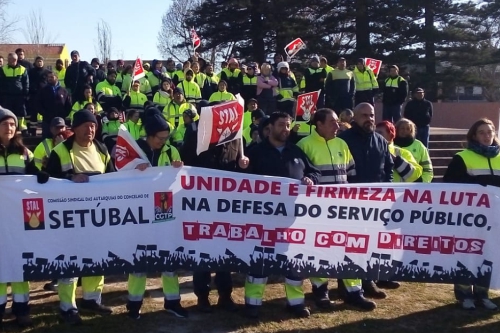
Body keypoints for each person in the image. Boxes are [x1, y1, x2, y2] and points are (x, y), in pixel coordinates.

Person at [296, 108, 377, 311]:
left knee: (350, 248)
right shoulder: (303, 146)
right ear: (319, 124)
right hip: (318, 211)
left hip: (343, 210)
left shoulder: (342, 143)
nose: (337, 125)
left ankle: (353, 292)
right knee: (319, 250)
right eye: (332, 122)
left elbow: (351, 173)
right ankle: (321, 291)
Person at [244, 112, 320, 319]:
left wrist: (310, 179)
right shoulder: (255, 151)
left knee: (294, 261)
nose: (286, 129)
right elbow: (240, 180)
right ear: (270, 128)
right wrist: (243, 166)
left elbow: (314, 172)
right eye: (281, 125)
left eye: (288, 125)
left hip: (292, 218)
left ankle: (295, 302)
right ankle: (252, 303)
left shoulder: (296, 151)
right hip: (263, 217)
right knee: (259, 259)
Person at [45, 109, 114, 325]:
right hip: (70, 219)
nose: (90, 129)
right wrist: (69, 178)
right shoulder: (60, 151)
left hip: (98, 217)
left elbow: (113, 179)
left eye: (93, 125)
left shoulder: (102, 149)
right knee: (71, 262)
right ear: (74, 128)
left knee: (98, 257)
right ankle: (67, 307)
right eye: (85, 125)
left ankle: (92, 299)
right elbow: (50, 182)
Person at [126, 111, 187, 319]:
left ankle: (172, 302)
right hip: (140, 214)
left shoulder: (171, 152)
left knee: (169, 262)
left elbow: (181, 182)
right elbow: (120, 177)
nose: (164, 141)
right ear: (149, 136)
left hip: (165, 213)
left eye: (166, 138)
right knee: (139, 262)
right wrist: (135, 170)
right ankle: (133, 305)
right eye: (160, 138)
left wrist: (179, 169)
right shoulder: (134, 152)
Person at [192, 106, 249, 313]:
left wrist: (244, 164)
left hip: (228, 207)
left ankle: (225, 294)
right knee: (203, 253)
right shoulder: (199, 136)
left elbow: (244, 168)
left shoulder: (237, 139)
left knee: (226, 251)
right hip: (203, 206)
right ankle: (202, 296)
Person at [338, 103, 394, 298]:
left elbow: (388, 169)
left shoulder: (381, 140)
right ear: (354, 116)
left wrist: (386, 191)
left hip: (376, 203)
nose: (369, 118)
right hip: (350, 201)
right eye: (364, 115)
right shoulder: (343, 140)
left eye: (371, 115)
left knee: (371, 243)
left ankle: (368, 280)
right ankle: (346, 286)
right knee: (350, 244)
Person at [443, 118, 499, 311]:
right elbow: (451, 187)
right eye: (482, 132)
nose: (486, 136)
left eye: (490, 132)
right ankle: (464, 294)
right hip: (469, 219)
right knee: (466, 254)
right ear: (474, 135)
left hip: (494, 219)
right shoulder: (462, 157)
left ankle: (483, 294)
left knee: (488, 254)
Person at [0, 108, 38, 329]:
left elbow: (36, 174)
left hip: (18, 220)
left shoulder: (24, 152)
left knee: (21, 262)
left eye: (12, 124)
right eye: (4, 124)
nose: (9, 128)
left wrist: (42, 176)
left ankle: (22, 308)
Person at [394, 118, 433, 183]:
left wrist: (422, 183)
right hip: (394, 189)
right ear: (397, 129)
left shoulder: (419, 146)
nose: (405, 131)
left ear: (411, 131)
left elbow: (428, 170)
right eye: (402, 128)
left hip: (413, 190)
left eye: (408, 129)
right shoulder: (391, 145)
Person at [0, 52, 29, 135]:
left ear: (16, 60)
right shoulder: (3, 69)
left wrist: (26, 93)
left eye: (13, 59)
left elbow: (26, 82)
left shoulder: (23, 69)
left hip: (19, 95)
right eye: (10, 59)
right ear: (8, 60)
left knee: (21, 113)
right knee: (7, 113)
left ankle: (23, 129)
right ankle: (7, 129)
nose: (12, 61)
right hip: (7, 95)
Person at [37, 71, 72, 138]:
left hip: (60, 120)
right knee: (47, 139)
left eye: (52, 77)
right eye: (48, 77)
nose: (49, 79)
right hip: (47, 120)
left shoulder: (64, 91)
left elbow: (68, 104)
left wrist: (63, 114)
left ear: (57, 78)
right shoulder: (43, 90)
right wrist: (44, 113)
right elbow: (38, 103)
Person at [27, 56, 50, 136]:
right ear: (35, 62)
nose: (39, 63)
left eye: (41, 61)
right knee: (33, 115)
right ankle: (32, 132)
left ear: (43, 62)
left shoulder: (47, 72)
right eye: (38, 61)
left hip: (44, 96)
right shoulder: (31, 72)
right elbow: (28, 82)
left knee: (45, 114)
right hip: (34, 96)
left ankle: (45, 130)